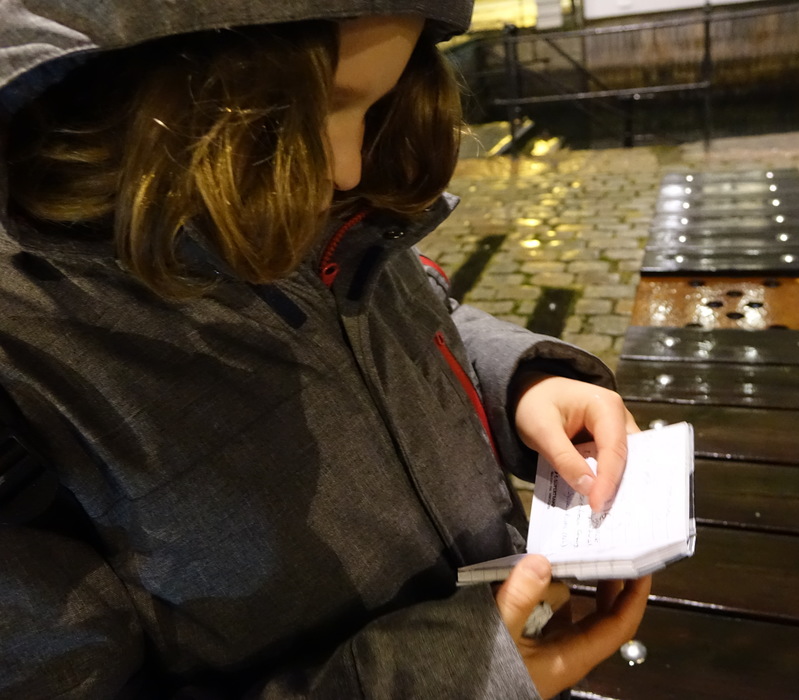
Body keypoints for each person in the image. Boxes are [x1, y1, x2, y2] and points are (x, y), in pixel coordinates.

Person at [0, 1, 650, 697]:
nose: (347, 167)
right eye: (296, 116)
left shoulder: (290, 195)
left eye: (373, 107)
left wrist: (520, 382)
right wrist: (440, 680)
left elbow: (419, 315)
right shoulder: (26, 368)